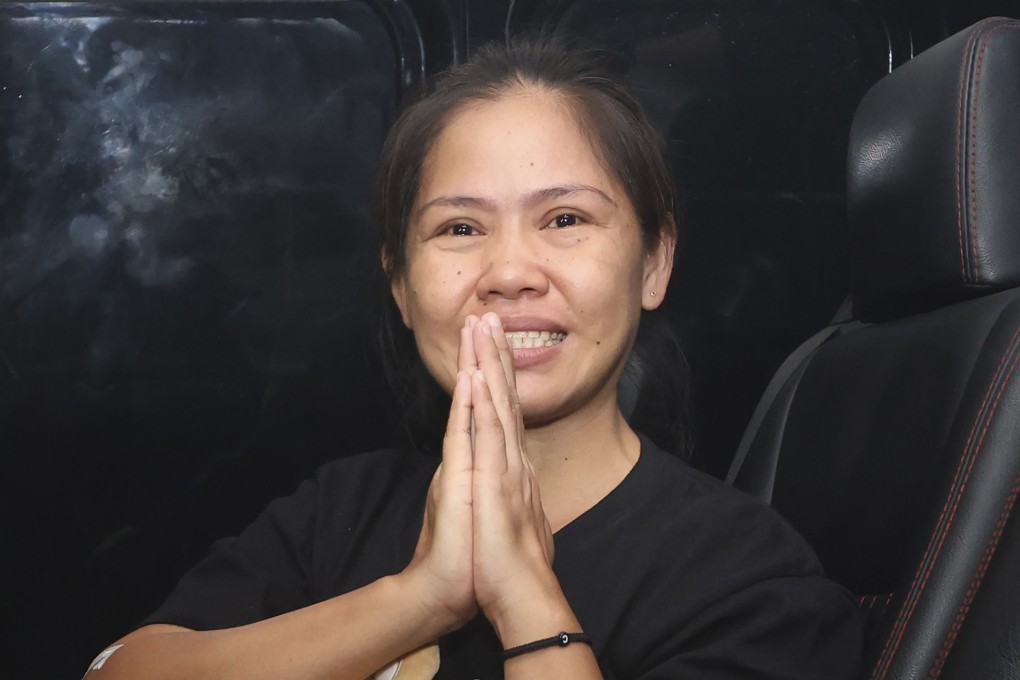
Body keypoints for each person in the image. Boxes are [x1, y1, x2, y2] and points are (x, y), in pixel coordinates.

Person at [84, 37, 863, 680]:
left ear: (654, 263)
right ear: (399, 283)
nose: (510, 271)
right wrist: (420, 597)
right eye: (459, 229)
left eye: (565, 219)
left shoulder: (748, 581)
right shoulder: (342, 508)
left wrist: (525, 596)